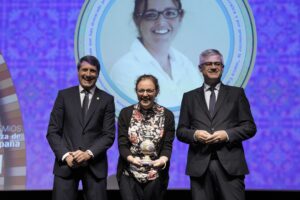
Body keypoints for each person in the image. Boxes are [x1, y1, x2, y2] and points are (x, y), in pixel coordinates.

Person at [176, 49, 257, 200]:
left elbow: (250, 127)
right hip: (199, 167)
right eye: (208, 64)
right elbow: (180, 131)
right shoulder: (189, 97)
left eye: (217, 63)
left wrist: (226, 135)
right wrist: (195, 135)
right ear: (200, 68)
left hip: (230, 167)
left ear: (222, 67)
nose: (213, 67)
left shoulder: (237, 94)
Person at [46, 55, 115, 200]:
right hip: (66, 166)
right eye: (84, 70)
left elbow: (108, 135)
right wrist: (66, 156)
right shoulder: (64, 96)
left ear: (98, 74)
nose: (88, 74)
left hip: (95, 166)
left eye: (92, 71)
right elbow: (53, 131)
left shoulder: (107, 100)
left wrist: (88, 154)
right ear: (78, 71)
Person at [109, 0, 201, 107]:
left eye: (170, 13)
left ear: (180, 17)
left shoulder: (186, 64)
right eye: (151, 15)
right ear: (137, 20)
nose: (161, 22)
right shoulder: (124, 71)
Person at [117, 74, 175, 200]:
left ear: (157, 91)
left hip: (156, 175)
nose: (145, 94)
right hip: (129, 174)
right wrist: (132, 160)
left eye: (149, 90)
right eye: (141, 90)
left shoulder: (167, 115)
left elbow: (167, 146)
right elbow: (122, 144)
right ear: (136, 91)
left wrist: (162, 160)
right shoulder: (125, 113)